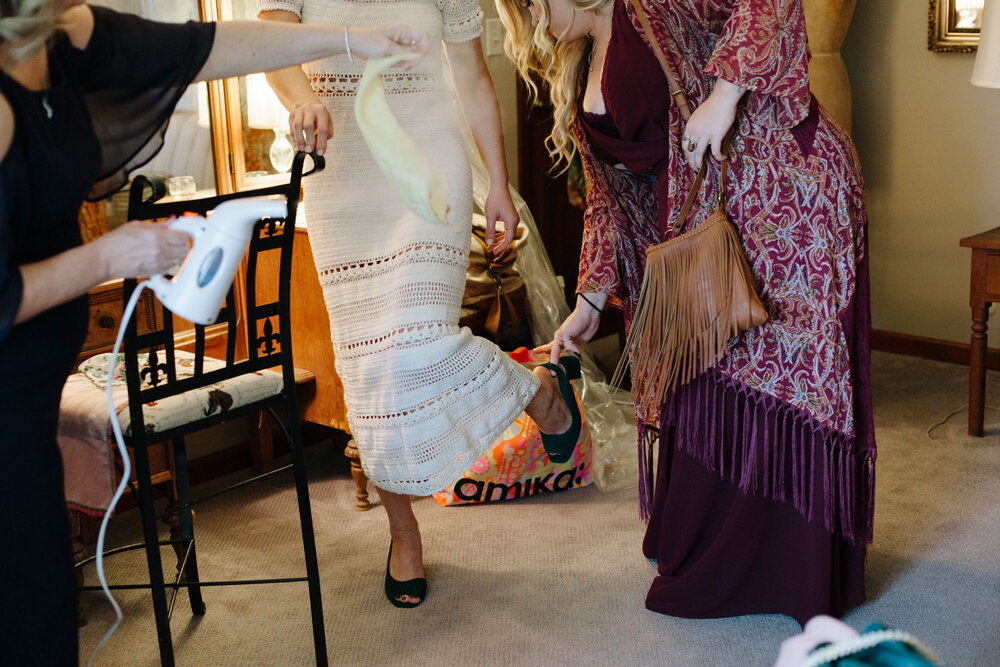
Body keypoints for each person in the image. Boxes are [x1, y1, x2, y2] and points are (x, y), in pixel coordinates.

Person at [0, 1, 431, 662]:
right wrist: (106, 258)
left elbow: (208, 46)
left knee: (45, 607)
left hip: (28, 402)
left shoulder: (70, 36)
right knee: (29, 617)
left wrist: (354, 40)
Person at [496, 0, 876, 624]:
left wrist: (725, 95)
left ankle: (792, 574)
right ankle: (717, 554)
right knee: (700, 379)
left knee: (777, 382)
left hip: (789, 195)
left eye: (535, 2)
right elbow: (609, 197)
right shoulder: (580, 61)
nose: (534, 19)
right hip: (708, 231)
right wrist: (590, 299)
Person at [257, 0, 581, 609]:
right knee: (368, 373)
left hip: (429, 168)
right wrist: (301, 97)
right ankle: (403, 533)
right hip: (342, 172)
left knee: (420, 345)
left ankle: (537, 391)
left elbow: (473, 77)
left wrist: (500, 185)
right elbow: (272, 36)